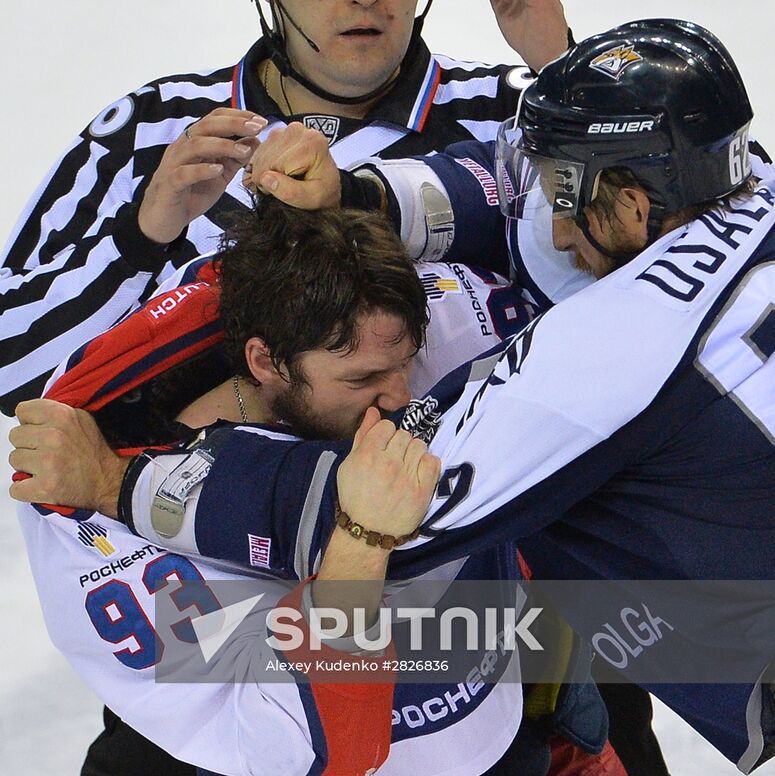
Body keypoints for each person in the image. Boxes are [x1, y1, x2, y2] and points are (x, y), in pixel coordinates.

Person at [29, 18, 775, 773]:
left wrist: (117, 481)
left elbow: (389, 502)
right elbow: (498, 192)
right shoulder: (753, 182)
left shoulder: (611, 356)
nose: (549, 228)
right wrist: (354, 193)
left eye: (564, 195)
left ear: (633, 202)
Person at [12, 199, 617, 776]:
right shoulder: (116, 542)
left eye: (407, 361)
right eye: (363, 378)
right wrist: (361, 538)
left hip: (511, 722)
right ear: (266, 362)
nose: (401, 395)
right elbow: (315, 743)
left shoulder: (420, 328)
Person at [0, 0, 571, 416]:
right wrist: (142, 238)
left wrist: (564, 68)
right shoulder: (156, 131)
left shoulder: (514, 113)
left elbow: (656, 290)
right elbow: (11, 370)